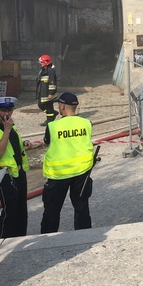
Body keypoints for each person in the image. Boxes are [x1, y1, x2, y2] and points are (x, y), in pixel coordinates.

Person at [41, 92, 95, 233]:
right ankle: (84, 236)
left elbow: (47, 142)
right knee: (82, 208)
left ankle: (46, 240)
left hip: (58, 174)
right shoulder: (86, 123)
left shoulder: (53, 126)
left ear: (63, 106)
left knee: (52, 210)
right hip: (81, 171)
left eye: (59, 104)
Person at [0, 97, 30, 238]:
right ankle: (2, 241)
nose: (7, 112)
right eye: (3, 109)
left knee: (21, 208)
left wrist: (24, 144)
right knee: (10, 210)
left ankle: (19, 238)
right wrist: (6, 130)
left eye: (10, 109)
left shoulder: (11, 126)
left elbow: (12, 147)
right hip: (4, 175)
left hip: (18, 171)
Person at [36, 54, 58, 126]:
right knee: (40, 105)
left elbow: (52, 83)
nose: (41, 64)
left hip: (48, 93)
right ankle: (53, 113)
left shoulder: (51, 71)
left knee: (48, 107)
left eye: (42, 62)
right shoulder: (43, 70)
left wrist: (51, 93)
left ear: (46, 62)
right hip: (43, 92)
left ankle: (49, 120)